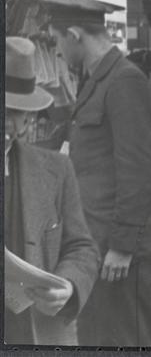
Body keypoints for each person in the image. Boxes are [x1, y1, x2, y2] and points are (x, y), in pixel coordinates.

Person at [44, 0, 151, 346]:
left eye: (56, 42)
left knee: (126, 340)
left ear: (74, 35)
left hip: (122, 250)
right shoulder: (100, 79)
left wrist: (123, 246)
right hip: (100, 241)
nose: (57, 52)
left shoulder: (123, 80)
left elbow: (139, 168)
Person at [3, 37, 100, 346]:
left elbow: (82, 247)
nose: (8, 123)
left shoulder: (56, 170)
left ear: (28, 117)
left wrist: (68, 286)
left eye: (16, 112)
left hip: (34, 333)